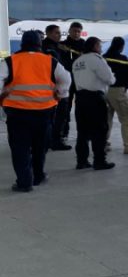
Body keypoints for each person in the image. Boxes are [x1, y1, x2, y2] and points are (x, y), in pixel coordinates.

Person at [0, 30, 71, 191]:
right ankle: (38, 176)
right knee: (40, 147)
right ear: (39, 44)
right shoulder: (50, 61)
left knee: (20, 148)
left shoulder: (10, 61)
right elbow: (66, 78)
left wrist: (2, 95)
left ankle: (24, 182)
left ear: (22, 43)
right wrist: (60, 94)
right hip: (43, 112)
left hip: (17, 113)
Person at [72, 37, 116, 170]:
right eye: (100, 46)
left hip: (80, 98)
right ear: (95, 46)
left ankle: (81, 161)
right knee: (99, 130)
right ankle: (99, 161)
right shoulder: (97, 59)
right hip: (95, 98)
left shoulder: (77, 61)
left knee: (82, 132)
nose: (101, 49)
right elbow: (109, 79)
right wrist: (113, 77)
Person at [103, 37, 128, 155]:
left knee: (107, 119)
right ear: (122, 46)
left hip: (104, 91)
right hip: (118, 91)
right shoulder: (122, 58)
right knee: (126, 120)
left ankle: (103, 144)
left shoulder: (104, 58)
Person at [42, 24, 72, 151]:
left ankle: (51, 140)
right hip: (54, 87)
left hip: (54, 86)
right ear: (48, 33)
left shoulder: (57, 46)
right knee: (58, 116)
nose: (59, 35)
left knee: (55, 117)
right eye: (56, 33)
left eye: (60, 33)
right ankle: (55, 141)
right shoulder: (48, 48)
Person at [61, 21, 86, 143]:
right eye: (74, 31)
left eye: (78, 32)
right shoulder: (63, 45)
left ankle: (83, 133)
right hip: (67, 80)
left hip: (81, 80)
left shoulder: (84, 45)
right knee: (65, 108)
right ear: (69, 31)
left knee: (82, 108)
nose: (76, 33)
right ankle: (64, 133)